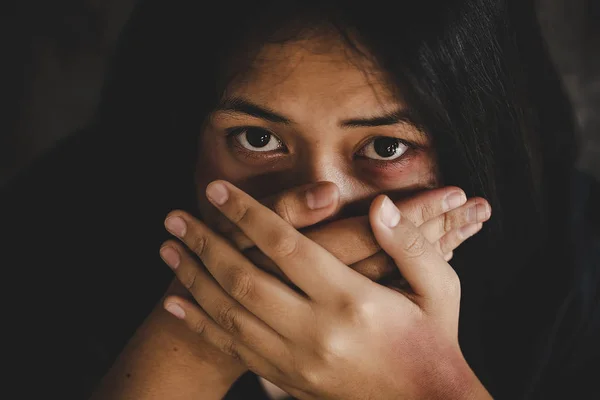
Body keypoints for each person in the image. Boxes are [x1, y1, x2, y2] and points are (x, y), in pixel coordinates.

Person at [2, 0, 598, 399]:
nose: (322, 201)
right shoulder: (51, 233)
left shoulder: (580, 266)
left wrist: (434, 387)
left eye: (387, 147)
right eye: (258, 139)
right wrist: (195, 342)